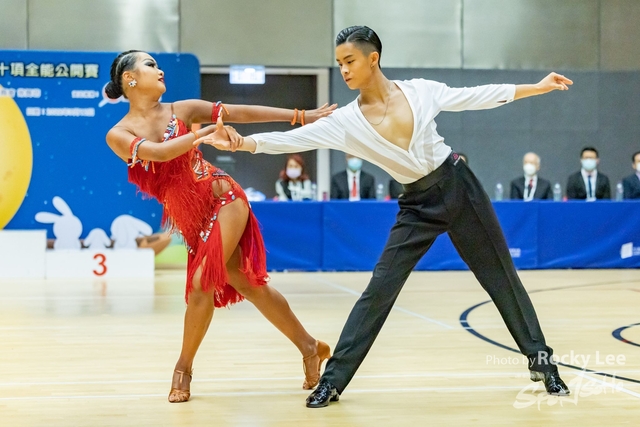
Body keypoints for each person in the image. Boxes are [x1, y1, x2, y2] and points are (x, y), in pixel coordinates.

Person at [197, 26, 573, 407]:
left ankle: (543, 364)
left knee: (501, 278)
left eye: (349, 61)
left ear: (372, 58)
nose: (344, 70)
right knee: (379, 290)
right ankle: (333, 380)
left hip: (460, 188)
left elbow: (476, 96)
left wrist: (536, 87)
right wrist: (244, 143)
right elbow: (294, 140)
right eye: (339, 64)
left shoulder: (420, 91)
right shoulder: (346, 121)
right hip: (417, 205)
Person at [104, 50, 335, 403]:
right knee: (250, 285)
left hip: (224, 197)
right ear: (129, 78)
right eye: (150, 65)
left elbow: (237, 112)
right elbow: (161, 153)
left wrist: (300, 115)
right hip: (191, 220)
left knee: (201, 283)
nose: (159, 69)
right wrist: (206, 133)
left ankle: (182, 370)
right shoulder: (119, 134)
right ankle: (310, 347)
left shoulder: (181, 110)